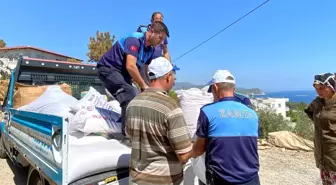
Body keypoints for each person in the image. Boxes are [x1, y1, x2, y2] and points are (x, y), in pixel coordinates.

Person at [97, 21, 169, 141]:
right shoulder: (134, 39)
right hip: (108, 69)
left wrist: (149, 90)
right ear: (151, 31)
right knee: (129, 94)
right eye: (160, 38)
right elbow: (130, 66)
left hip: (123, 74)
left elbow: (143, 72)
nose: (161, 42)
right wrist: (143, 85)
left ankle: (137, 130)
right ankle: (127, 136)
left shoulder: (150, 51)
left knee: (137, 98)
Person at [125, 57, 193, 185]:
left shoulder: (133, 103)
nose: (174, 81)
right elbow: (184, 155)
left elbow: (130, 135)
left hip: (136, 179)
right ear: (168, 77)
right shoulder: (170, 107)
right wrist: (196, 145)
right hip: (163, 180)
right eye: (174, 77)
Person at [192, 70, 260, 185]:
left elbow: (198, 150)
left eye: (212, 91)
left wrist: (188, 152)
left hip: (222, 179)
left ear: (215, 88)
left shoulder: (207, 111)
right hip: (251, 179)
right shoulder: (252, 114)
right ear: (234, 89)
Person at [304, 73, 336, 185]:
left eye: (322, 88)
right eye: (317, 88)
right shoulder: (318, 102)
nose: (319, 91)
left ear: (332, 86)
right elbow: (309, 111)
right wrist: (321, 125)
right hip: (322, 155)